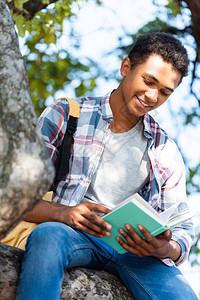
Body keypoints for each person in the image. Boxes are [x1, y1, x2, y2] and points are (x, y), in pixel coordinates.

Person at [17, 32, 197, 300]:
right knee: (48, 237)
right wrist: (65, 213)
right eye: (149, 81)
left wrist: (164, 249)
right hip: (72, 234)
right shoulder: (67, 114)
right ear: (126, 67)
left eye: (164, 92)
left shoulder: (165, 149)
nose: (152, 95)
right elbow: (14, 197)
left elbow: (183, 232)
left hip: (135, 253)